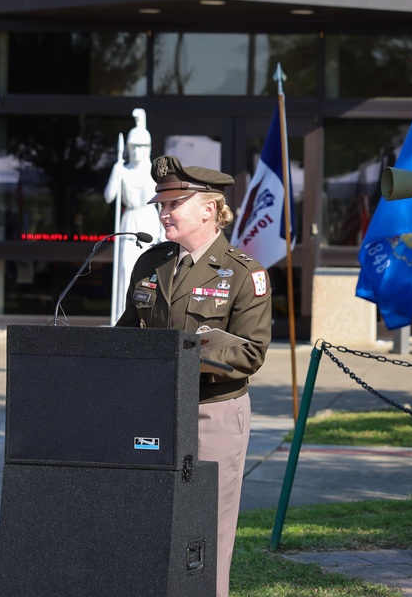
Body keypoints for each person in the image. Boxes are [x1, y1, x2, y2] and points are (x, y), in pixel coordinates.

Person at [115, 154, 272, 597]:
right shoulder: (152, 263)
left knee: (208, 528)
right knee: (153, 519)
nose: (163, 212)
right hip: (154, 411)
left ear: (208, 208)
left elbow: (250, 352)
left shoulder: (244, 273)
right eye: (160, 205)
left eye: (173, 204)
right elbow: (129, 333)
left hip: (211, 413)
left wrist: (185, 349)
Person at [104, 108, 165, 322]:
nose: (137, 151)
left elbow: (161, 204)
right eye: (133, 147)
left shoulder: (155, 172)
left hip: (149, 221)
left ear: (148, 148)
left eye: (141, 147)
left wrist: (164, 232)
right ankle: (121, 318)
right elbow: (108, 197)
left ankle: (148, 318)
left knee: (150, 272)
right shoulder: (123, 170)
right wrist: (116, 172)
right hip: (129, 221)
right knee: (125, 270)